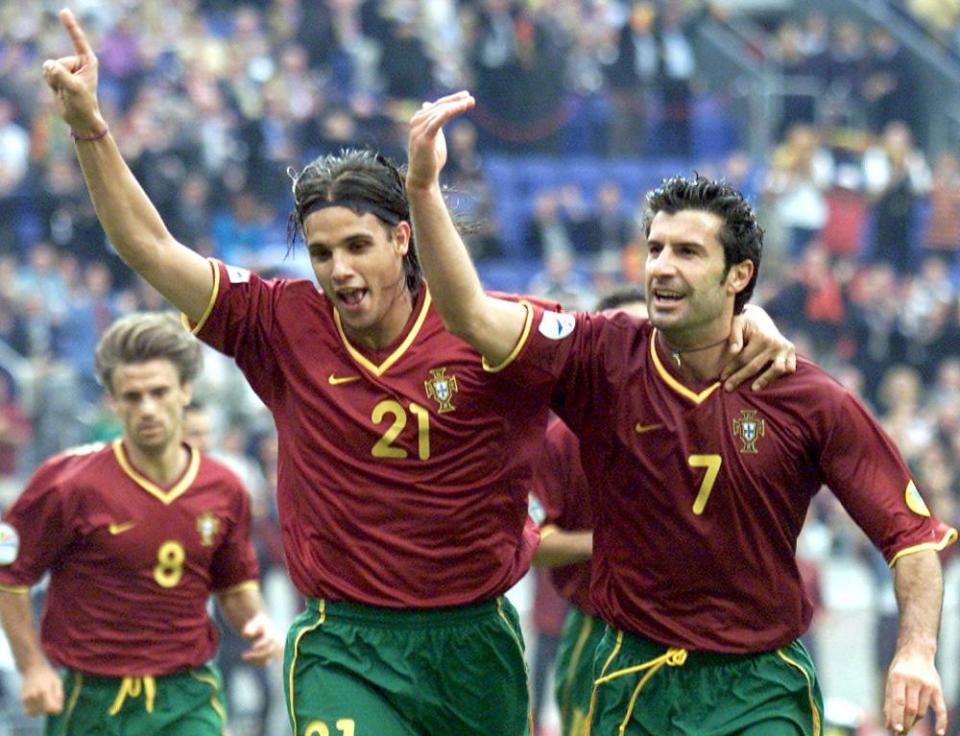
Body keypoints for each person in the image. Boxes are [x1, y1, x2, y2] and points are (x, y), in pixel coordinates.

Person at [40, 13, 795, 735]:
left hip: (474, 643)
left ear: (402, 238)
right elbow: (147, 246)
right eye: (321, 252)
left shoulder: (494, 332)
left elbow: (639, 346)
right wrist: (88, 125)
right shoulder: (276, 323)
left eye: (357, 246)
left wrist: (746, 322)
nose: (338, 269)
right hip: (346, 642)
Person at [405, 91, 957, 736]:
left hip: (759, 687)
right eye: (656, 248)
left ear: (738, 275)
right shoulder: (598, 355)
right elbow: (469, 312)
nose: (662, 267)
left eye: (687, 252)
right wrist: (423, 186)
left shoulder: (806, 398)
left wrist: (916, 651)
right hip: (632, 680)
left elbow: (912, 538)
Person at [0, 312, 282, 735]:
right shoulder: (67, 483)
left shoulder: (224, 489)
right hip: (93, 701)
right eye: (132, 397)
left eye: (159, 392)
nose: (147, 408)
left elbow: (234, 586)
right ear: (112, 401)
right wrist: (33, 668)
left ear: (185, 390)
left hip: (187, 696)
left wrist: (257, 622)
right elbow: (9, 574)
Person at [531, 287, 646, 736]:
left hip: (686, 632)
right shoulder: (561, 442)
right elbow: (532, 541)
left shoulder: (694, 427)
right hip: (597, 633)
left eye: (647, 336)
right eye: (621, 339)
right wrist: (607, 542)